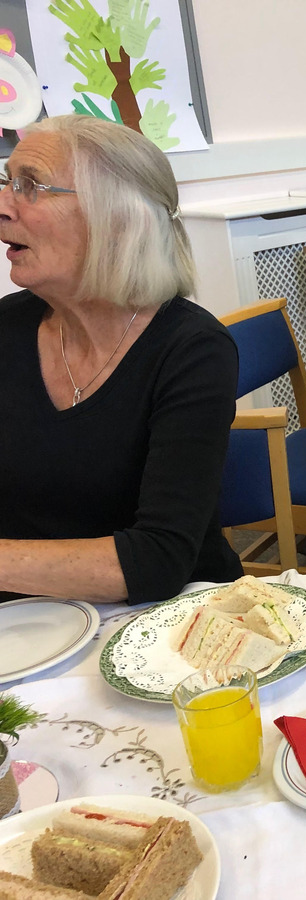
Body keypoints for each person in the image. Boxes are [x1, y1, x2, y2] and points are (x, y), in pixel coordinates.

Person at [0, 115, 241, 605]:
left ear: (116, 218)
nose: (4, 206)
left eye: (29, 187)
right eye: (7, 181)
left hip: (165, 623)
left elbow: (158, 558)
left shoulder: (191, 350)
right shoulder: (6, 329)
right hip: (27, 622)